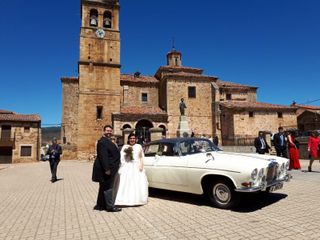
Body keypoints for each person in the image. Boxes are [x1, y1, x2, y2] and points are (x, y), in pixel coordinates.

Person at [92, 125, 121, 212]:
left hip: (110, 168)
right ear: (104, 131)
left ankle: (100, 205)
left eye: (110, 131)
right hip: (108, 169)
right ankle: (110, 206)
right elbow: (103, 157)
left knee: (103, 187)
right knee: (108, 187)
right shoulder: (102, 142)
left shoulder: (107, 141)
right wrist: (107, 169)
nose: (109, 132)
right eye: (107, 130)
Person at [115, 133, 148, 206]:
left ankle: (137, 200)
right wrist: (127, 157)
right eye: (131, 138)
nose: (132, 140)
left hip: (137, 166)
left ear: (136, 139)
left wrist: (141, 165)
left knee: (136, 182)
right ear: (128, 139)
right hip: (127, 165)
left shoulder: (139, 146)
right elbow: (122, 157)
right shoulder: (125, 146)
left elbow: (141, 157)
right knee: (126, 182)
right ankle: (124, 200)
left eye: (133, 138)